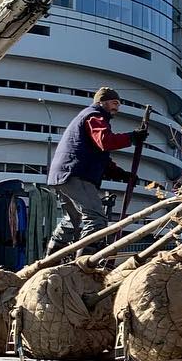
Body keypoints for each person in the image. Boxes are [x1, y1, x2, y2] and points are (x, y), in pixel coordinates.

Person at [45, 87, 144, 256]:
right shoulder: (94, 116)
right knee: (96, 218)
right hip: (76, 174)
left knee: (73, 218)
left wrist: (122, 175)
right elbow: (105, 141)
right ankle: (84, 261)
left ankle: (51, 257)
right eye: (114, 103)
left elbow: (100, 156)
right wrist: (131, 138)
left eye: (118, 104)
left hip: (63, 175)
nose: (117, 108)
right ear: (101, 102)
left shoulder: (89, 117)